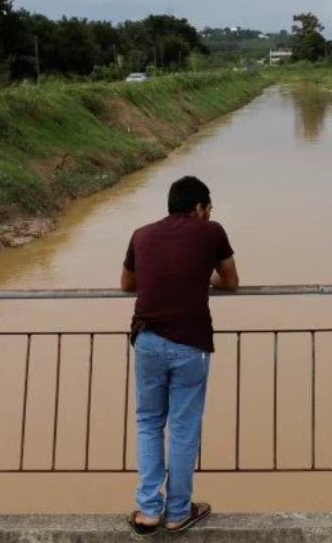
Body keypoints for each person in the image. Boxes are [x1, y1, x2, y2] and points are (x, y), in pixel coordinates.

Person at [121, 175, 239, 536]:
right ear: (200, 207)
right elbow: (231, 281)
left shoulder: (141, 234)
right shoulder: (212, 231)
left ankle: (148, 511)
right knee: (184, 428)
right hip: (191, 342)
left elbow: (127, 284)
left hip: (147, 340)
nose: (209, 214)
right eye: (208, 209)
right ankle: (177, 512)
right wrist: (201, 281)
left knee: (148, 422)